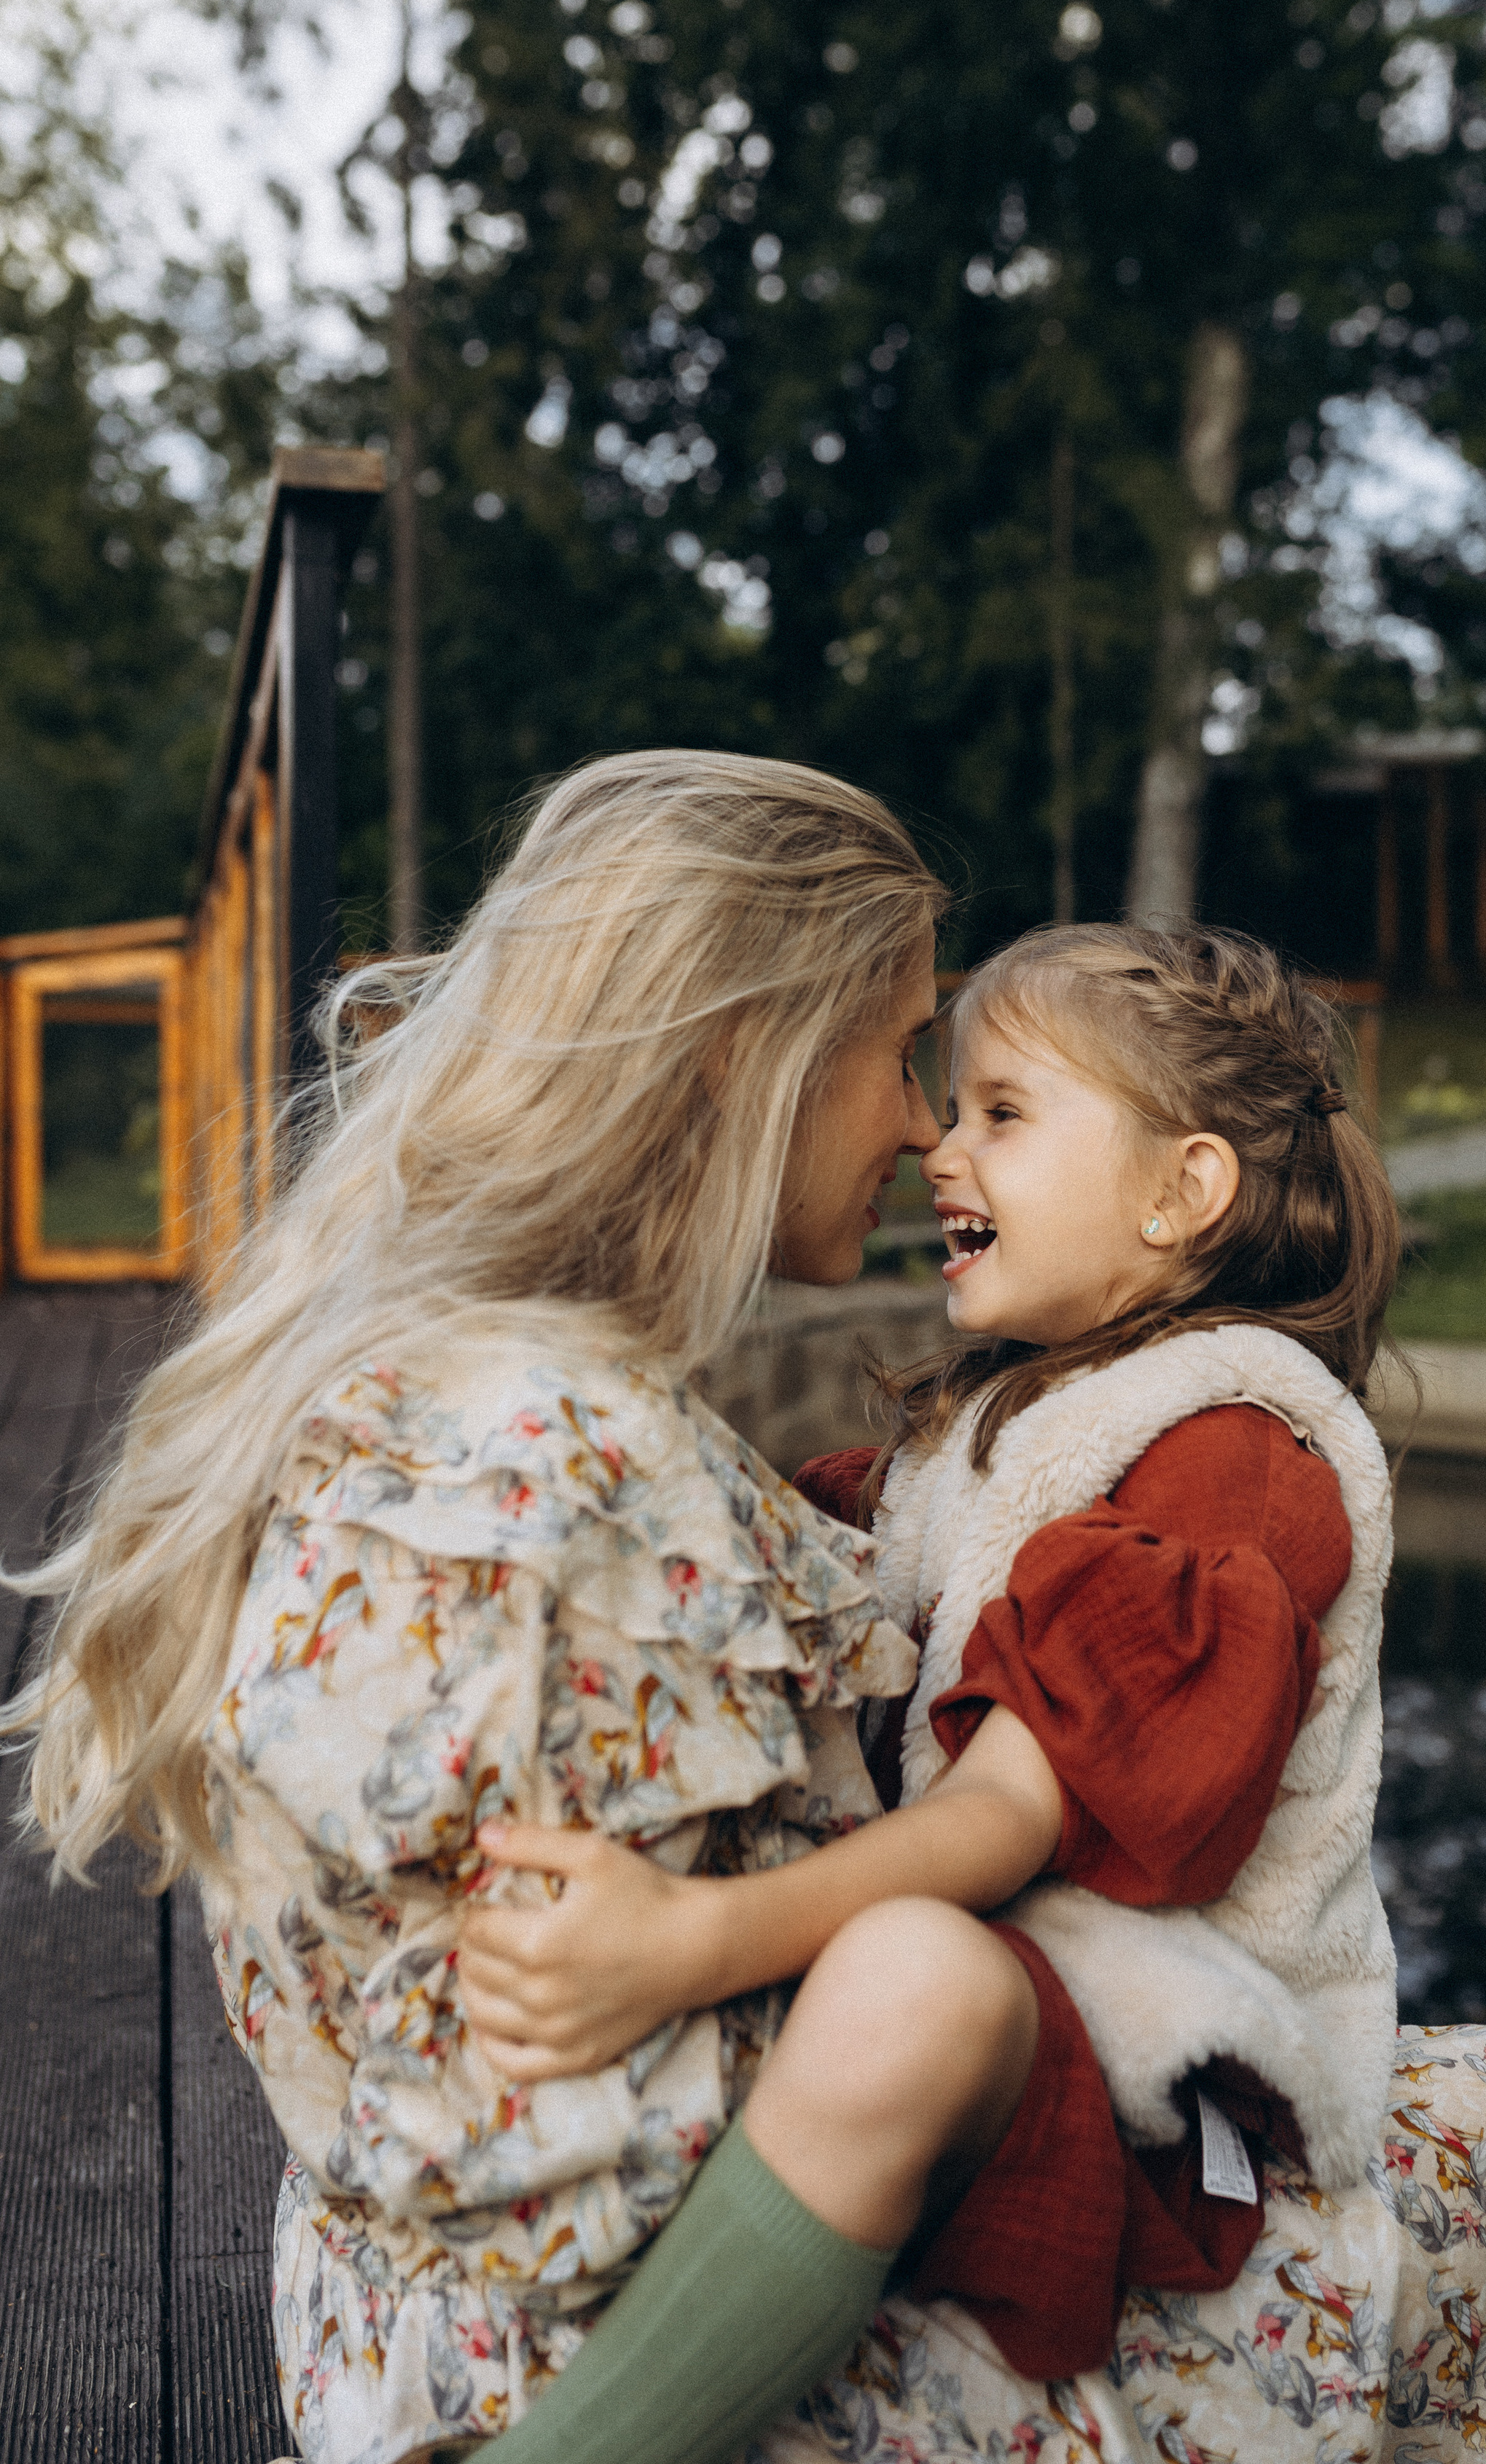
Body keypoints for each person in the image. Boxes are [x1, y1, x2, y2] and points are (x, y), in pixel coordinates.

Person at [459, 923, 1486, 2464]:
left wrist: (691, 1940)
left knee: (908, 1978)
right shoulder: (974, 1440)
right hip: (1029, 2032)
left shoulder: (1236, 1454)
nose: (935, 1144)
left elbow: (1003, 1810)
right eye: (947, 1100)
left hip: (1174, 2094)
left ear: (1181, 1192)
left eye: (999, 1110)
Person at [5, 751, 1057, 2464]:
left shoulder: (418, 1382)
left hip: (381, 2330)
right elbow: (595, 2164)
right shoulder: (567, 1458)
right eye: (896, 1050)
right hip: (600, 2384)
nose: (926, 1122)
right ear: (743, 1049)